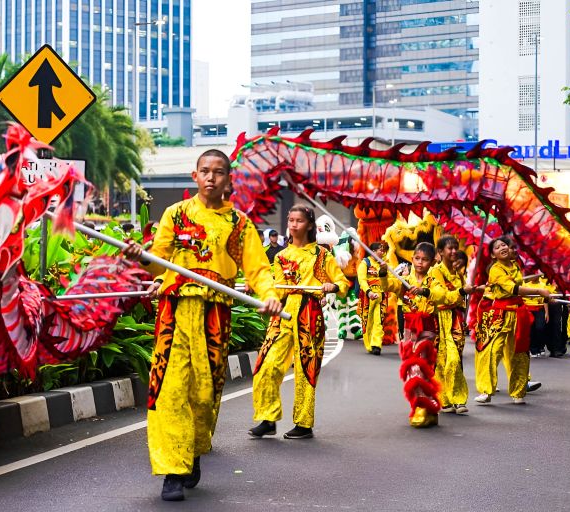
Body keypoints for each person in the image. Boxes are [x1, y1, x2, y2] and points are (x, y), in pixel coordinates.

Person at [122, 149, 283, 502]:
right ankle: (172, 471)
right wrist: (140, 258)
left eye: (219, 172)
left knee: (204, 393)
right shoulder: (175, 214)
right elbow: (157, 261)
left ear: (228, 179)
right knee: (168, 388)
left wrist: (270, 295)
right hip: (174, 312)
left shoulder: (239, 224)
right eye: (205, 171)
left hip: (214, 315)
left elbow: (257, 269)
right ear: (194, 176)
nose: (211, 177)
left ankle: (191, 451)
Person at [249, 205, 349, 440]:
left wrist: (331, 286)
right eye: (290, 220)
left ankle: (304, 424)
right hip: (283, 314)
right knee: (266, 364)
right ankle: (268, 418)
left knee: (305, 368)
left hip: (309, 313)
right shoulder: (281, 255)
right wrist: (265, 292)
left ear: (310, 225)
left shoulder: (322, 255)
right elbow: (277, 287)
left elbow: (342, 283)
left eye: (299, 221)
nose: (293, 225)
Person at [473, 237, 552, 405]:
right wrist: (539, 291)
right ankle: (486, 390)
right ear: (493, 255)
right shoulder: (495, 269)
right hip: (500, 315)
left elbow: (518, 288)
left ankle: (518, 391)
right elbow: (513, 289)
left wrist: (542, 293)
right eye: (497, 247)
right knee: (492, 351)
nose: (502, 248)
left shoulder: (515, 266)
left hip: (518, 314)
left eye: (504, 245)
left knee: (519, 353)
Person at [429, 236, 473, 415]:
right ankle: (444, 399)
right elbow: (439, 295)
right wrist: (461, 292)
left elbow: (460, 298)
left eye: (456, 248)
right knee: (441, 361)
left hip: (455, 320)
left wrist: (467, 291)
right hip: (439, 319)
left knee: (455, 359)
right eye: (450, 248)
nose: (454, 251)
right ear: (440, 252)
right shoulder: (435, 272)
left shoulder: (458, 273)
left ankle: (458, 398)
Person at [399, 242, 441, 427]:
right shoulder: (404, 278)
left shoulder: (434, 280)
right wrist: (384, 273)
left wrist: (425, 291)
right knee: (410, 369)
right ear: (412, 258)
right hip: (409, 329)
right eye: (417, 258)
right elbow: (390, 286)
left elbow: (441, 294)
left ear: (432, 262)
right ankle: (429, 409)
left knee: (420, 368)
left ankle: (421, 407)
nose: (420, 263)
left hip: (427, 328)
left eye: (425, 260)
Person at [358, 241, 401, 355]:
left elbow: (391, 278)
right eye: (380, 250)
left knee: (379, 320)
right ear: (373, 251)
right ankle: (369, 345)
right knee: (367, 321)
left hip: (381, 296)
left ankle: (376, 344)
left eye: (383, 250)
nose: (382, 252)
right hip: (369, 296)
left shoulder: (385, 264)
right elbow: (362, 280)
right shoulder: (365, 263)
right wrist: (369, 292)